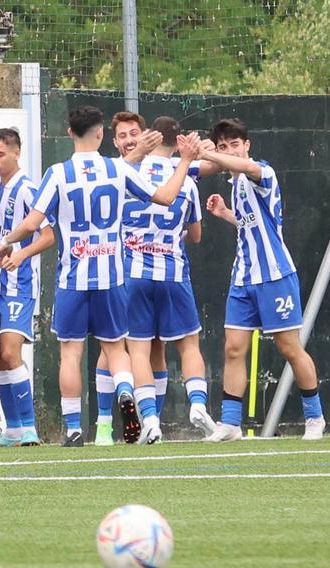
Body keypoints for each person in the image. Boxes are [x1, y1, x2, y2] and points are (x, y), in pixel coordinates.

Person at [0, 105, 198, 447]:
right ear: (102, 133)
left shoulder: (58, 173)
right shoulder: (117, 169)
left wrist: (6, 243)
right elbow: (165, 197)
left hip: (73, 278)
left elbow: (32, 223)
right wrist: (186, 163)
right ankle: (123, 389)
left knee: (71, 353)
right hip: (112, 277)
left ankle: (74, 428)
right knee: (116, 349)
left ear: (69, 132)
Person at [201, 118, 325, 442]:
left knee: (289, 347)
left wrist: (211, 156)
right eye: (222, 146)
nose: (229, 150)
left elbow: (243, 169)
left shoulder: (261, 172)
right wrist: (227, 214)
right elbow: (251, 225)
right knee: (233, 348)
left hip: (275, 275)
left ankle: (315, 418)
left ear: (247, 145)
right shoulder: (236, 185)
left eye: (234, 144)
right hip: (243, 278)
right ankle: (229, 424)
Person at [120, 117, 217, 438]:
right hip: (174, 272)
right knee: (188, 345)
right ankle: (198, 404)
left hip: (133, 273)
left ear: (150, 137)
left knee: (138, 350)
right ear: (177, 143)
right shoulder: (185, 180)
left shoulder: (128, 172)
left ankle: (149, 420)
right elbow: (198, 235)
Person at [0, 128, 53, 447]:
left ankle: (29, 427)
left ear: (17, 153)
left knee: (11, 351)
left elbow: (49, 235)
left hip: (19, 285)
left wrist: (21, 254)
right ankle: (13, 428)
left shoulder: (28, 189)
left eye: (0, 154)